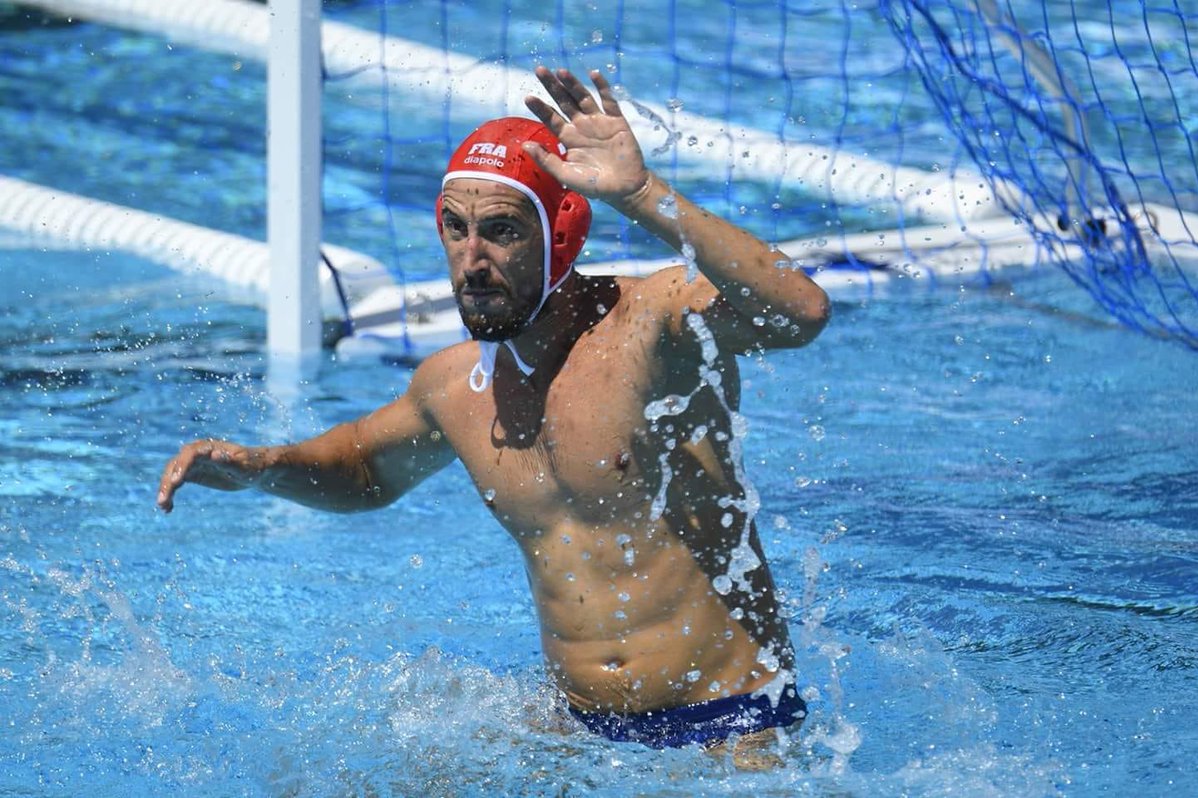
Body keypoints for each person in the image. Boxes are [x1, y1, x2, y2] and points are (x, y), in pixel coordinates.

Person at [157, 66, 830, 756]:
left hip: (731, 723)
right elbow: (363, 468)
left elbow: (800, 311)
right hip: (582, 732)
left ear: (560, 236)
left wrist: (640, 194)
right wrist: (263, 468)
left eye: (501, 231)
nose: (471, 260)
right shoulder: (454, 387)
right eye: (456, 229)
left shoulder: (652, 327)